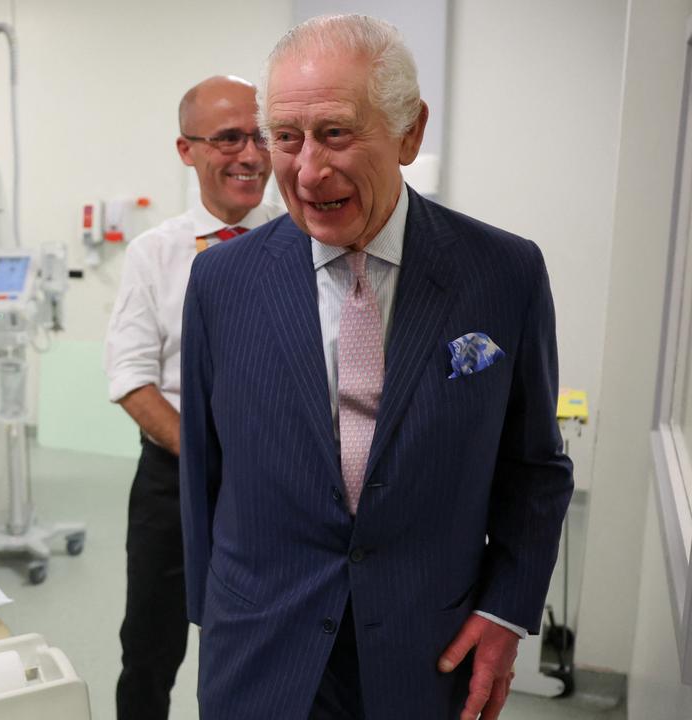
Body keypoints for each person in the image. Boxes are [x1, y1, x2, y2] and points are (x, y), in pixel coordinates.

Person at [179, 16, 573, 720]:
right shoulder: (222, 282)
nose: (306, 171)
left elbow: (534, 469)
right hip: (261, 649)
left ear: (410, 133)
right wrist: (216, 621)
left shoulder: (503, 274)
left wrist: (508, 613)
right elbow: (201, 475)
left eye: (335, 133)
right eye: (287, 138)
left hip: (430, 648)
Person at [104, 75, 285, 719]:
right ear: (187, 150)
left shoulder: (301, 243)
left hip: (275, 483)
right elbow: (129, 376)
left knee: (261, 645)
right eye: (229, 138)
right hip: (174, 478)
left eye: (261, 136)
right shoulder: (157, 253)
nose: (251, 154)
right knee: (149, 648)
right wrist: (206, 455)